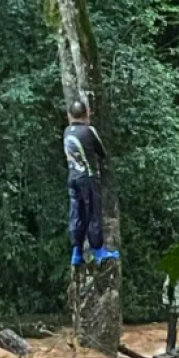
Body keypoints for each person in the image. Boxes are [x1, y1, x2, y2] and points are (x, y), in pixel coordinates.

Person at [63, 100, 120, 266]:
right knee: (93, 212)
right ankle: (98, 251)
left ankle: (76, 251)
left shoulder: (67, 131)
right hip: (87, 178)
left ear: (70, 115)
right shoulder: (89, 131)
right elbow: (101, 152)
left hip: (72, 178)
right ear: (86, 114)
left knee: (76, 213)